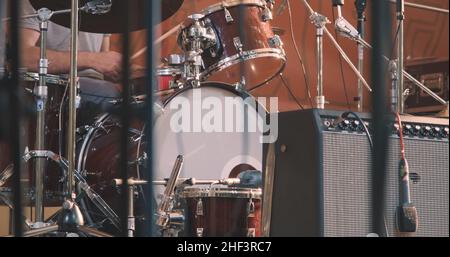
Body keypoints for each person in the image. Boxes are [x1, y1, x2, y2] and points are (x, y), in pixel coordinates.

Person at [19, 0, 123, 124]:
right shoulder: (33, 2)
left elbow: (105, 62)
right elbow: (23, 56)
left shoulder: (103, 5)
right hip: (52, 85)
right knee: (112, 95)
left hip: (94, 85)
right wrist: (91, 59)